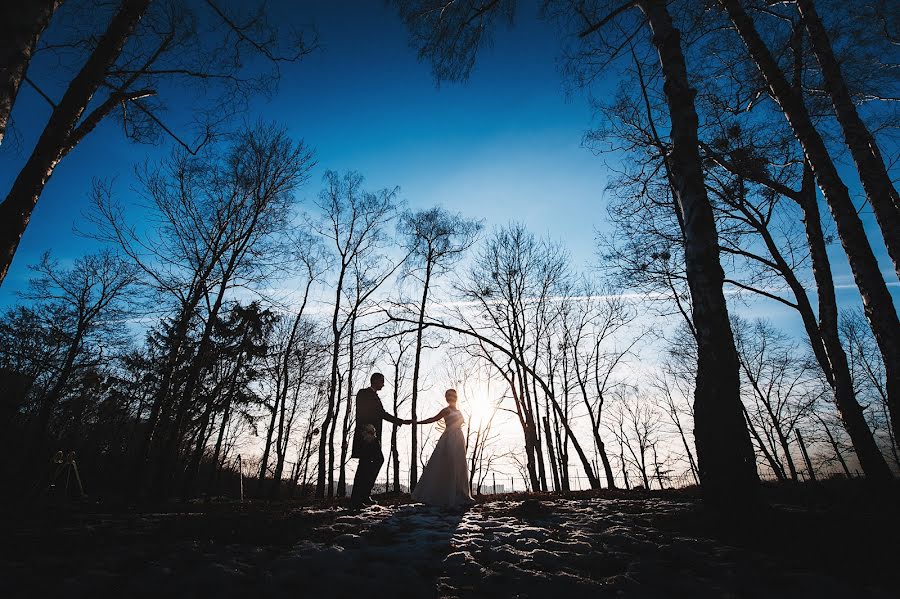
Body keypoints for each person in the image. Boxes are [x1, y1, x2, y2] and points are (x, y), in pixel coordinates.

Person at [350, 372, 406, 509]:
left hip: (372, 436)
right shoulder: (363, 393)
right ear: (375, 380)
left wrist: (400, 421)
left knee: (367, 463)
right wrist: (399, 421)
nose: (383, 384)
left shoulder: (375, 396)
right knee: (371, 462)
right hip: (365, 435)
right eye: (382, 381)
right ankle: (359, 497)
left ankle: (361, 496)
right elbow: (376, 413)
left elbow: (381, 413)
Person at [410, 389, 474, 508]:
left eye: (453, 396)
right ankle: (445, 495)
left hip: (459, 438)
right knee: (449, 464)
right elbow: (433, 419)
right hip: (449, 438)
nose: (451, 398)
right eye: (448, 396)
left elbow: (461, 424)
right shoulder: (446, 410)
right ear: (446, 398)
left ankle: (459, 493)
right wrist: (417, 422)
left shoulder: (459, 411)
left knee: (459, 464)